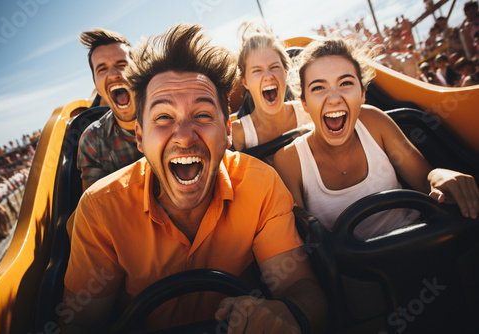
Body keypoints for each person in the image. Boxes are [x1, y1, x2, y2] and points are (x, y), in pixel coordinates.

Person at [60, 23, 327, 333]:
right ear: (141, 136)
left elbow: (303, 291)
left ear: (227, 130)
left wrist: (287, 314)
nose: (185, 138)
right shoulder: (100, 210)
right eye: (163, 118)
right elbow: (78, 324)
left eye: (202, 115)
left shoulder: (261, 184)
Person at [273, 37, 479, 240]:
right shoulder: (289, 160)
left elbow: (426, 181)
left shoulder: (374, 121)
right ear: (305, 103)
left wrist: (440, 176)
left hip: (418, 242)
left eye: (345, 83)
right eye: (318, 87)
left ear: (362, 94)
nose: (334, 99)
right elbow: (304, 244)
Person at [231, 23, 312, 158]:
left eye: (274, 67)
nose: (268, 76)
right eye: (257, 70)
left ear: (285, 73)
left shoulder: (309, 113)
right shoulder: (237, 135)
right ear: (245, 82)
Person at [77, 28, 143, 191]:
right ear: (96, 88)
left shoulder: (171, 116)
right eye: (102, 69)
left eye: (122, 64)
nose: (114, 74)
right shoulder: (93, 140)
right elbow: (95, 208)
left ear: (139, 73)